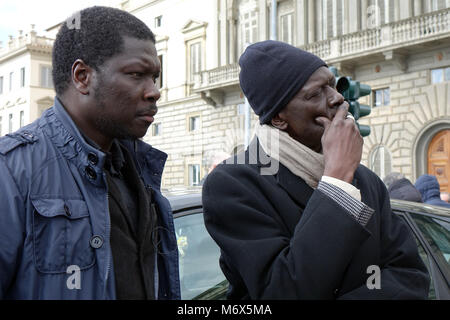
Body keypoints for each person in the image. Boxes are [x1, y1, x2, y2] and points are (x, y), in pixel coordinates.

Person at [202, 40, 430, 299]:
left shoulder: (366, 180)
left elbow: (410, 276)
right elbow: (284, 290)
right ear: (279, 118)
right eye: (316, 93)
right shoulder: (234, 183)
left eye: (332, 85)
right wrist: (336, 183)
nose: (337, 98)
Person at [0, 6, 180, 299]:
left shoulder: (141, 168)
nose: (154, 91)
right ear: (82, 76)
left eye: (155, 77)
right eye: (137, 74)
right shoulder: (11, 171)